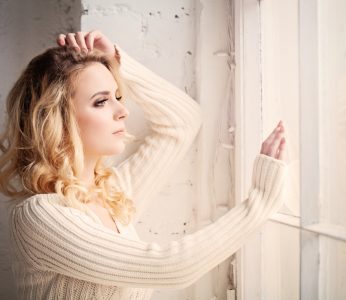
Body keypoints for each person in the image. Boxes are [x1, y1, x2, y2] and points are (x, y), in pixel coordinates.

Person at [0, 30, 287, 300]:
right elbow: (171, 267)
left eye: (118, 97)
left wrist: (116, 58)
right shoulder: (38, 216)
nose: (123, 111)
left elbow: (182, 122)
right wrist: (260, 201)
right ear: (58, 120)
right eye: (101, 102)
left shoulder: (112, 194)